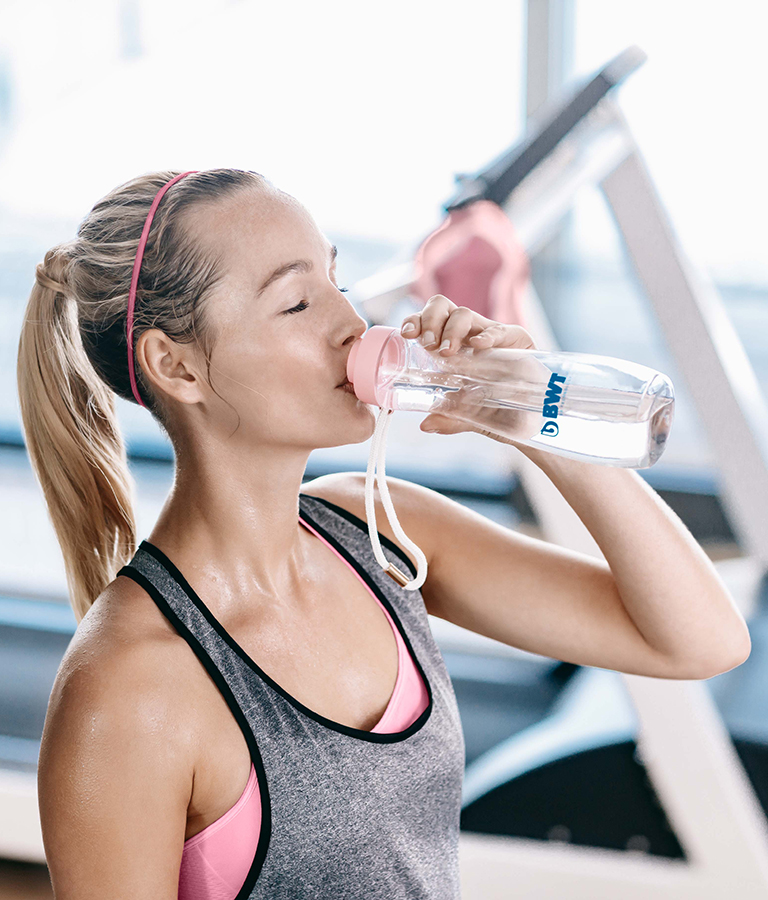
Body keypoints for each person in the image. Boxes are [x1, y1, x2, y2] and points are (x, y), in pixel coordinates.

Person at [17, 168, 751, 899]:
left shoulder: (380, 533)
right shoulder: (129, 690)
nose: (351, 322)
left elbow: (699, 640)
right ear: (176, 366)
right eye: (298, 301)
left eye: (337, 279)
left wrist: (531, 407)